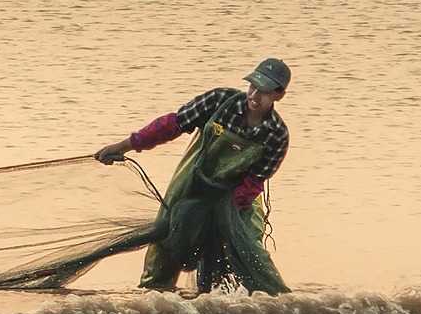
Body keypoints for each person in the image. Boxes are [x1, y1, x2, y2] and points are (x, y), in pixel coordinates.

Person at [94, 58, 292, 294]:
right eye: (253, 86)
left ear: (279, 95)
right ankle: (155, 304)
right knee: (168, 240)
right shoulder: (218, 102)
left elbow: (255, 181)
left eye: (265, 91)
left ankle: (254, 310)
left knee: (244, 250)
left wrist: (224, 214)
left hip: (238, 197)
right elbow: (172, 125)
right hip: (193, 182)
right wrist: (125, 146)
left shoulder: (277, 135)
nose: (255, 95)